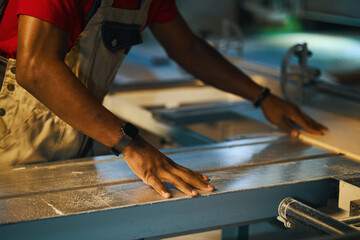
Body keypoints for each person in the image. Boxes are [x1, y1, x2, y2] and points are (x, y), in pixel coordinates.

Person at [0, 0, 327, 198]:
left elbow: (188, 48)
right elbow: (37, 67)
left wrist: (263, 98)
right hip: (11, 133)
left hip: (78, 132)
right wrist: (132, 145)